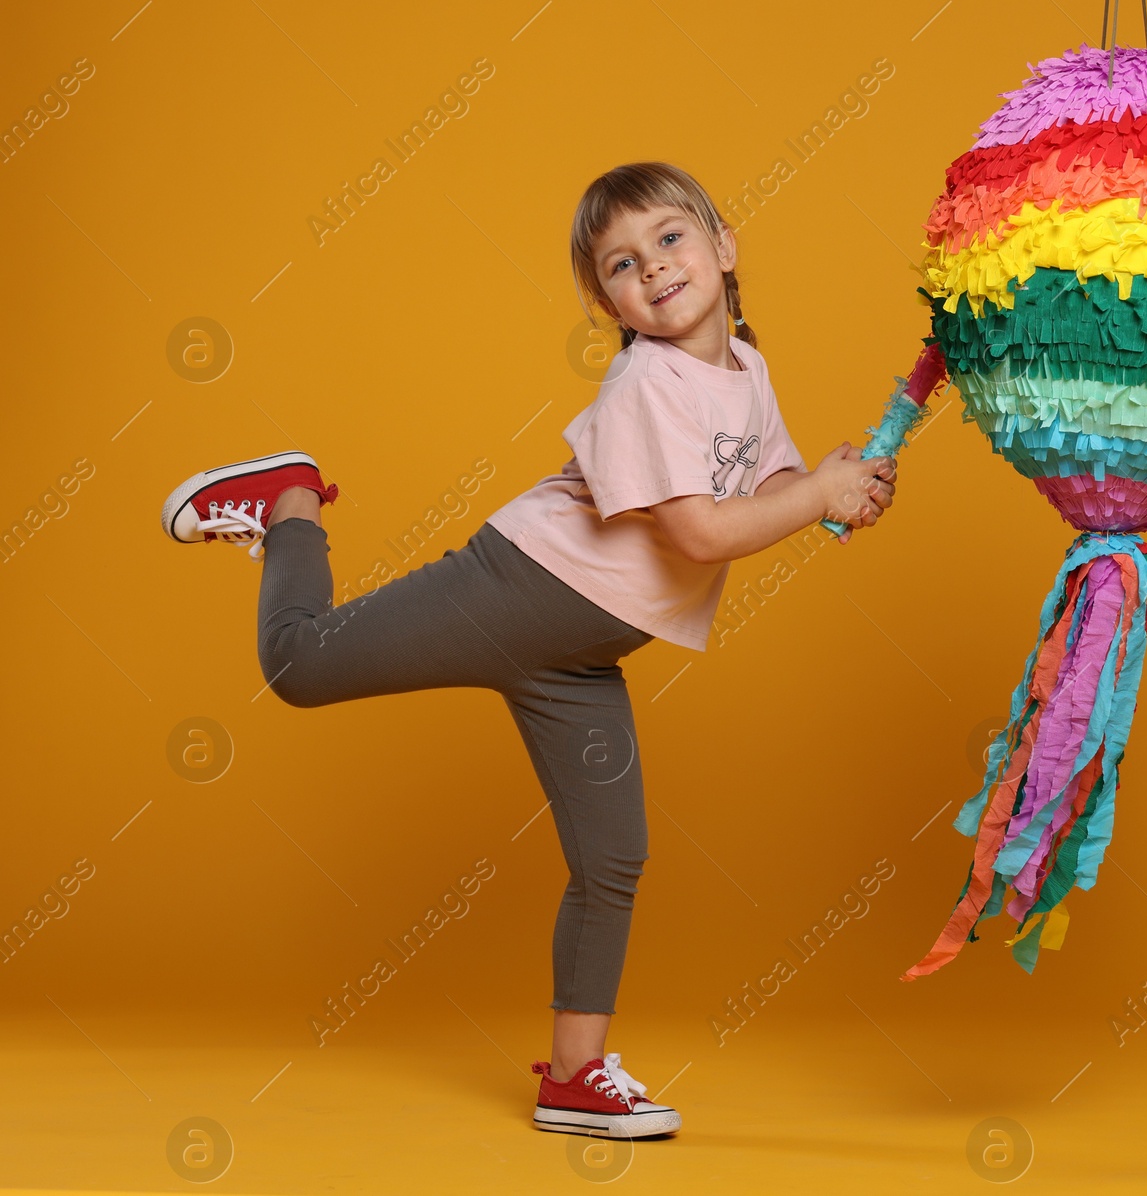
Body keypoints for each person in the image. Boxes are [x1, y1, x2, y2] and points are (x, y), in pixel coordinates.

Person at [158, 162, 897, 1140]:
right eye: (622, 264)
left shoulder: (745, 369)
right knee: (299, 664)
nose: (655, 269)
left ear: (724, 245)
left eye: (671, 240)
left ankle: (575, 1075)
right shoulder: (645, 379)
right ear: (608, 302)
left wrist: (837, 486)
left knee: (614, 855)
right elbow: (704, 535)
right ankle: (292, 498)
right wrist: (814, 500)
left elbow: (773, 484)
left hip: (582, 649)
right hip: (525, 589)